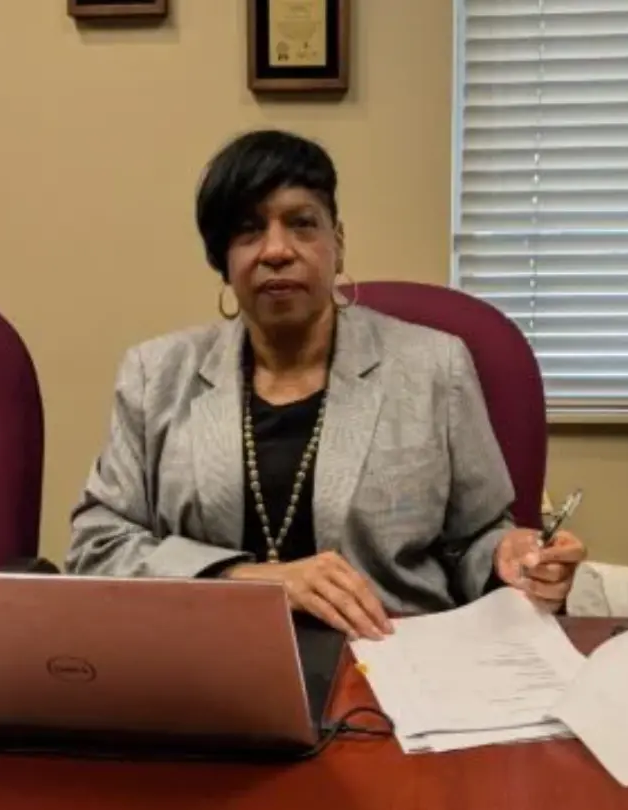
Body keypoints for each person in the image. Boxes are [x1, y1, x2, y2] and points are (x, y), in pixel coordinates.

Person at [67, 129, 586, 639]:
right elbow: (97, 545)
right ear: (223, 260)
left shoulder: (434, 366)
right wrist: (245, 580)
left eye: (302, 224)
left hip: (389, 654)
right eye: (249, 230)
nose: (276, 250)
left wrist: (510, 557)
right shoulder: (155, 374)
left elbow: (473, 539)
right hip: (205, 653)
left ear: (337, 242)